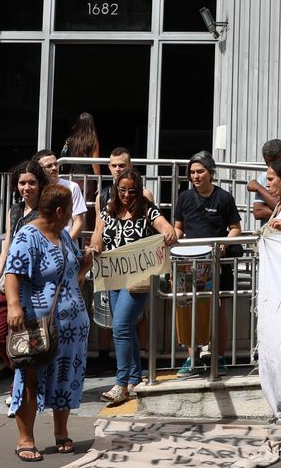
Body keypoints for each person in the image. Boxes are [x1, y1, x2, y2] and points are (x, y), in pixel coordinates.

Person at [4, 183, 91, 462]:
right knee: (30, 378)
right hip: (37, 324)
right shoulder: (27, 236)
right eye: (69, 212)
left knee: (65, 377)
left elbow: (73, 268)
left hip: (71, 326)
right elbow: (12, 272)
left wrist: (86, 261)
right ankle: (25, 438)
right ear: (58, 211)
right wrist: (14, 306)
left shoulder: (63, 235)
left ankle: (61, 431)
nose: (72, 217)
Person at [89, 168, 178, 404]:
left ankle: (120, 384)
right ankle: (135, 377)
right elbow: (97, 235)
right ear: (116, 190)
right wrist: (96, 246)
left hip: (137, 281)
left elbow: (167, 228)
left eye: (132, 190)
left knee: (120, 327)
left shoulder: (147, 211)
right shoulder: (108, 209)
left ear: (139, 191)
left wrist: (169, 234)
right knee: (126, 327)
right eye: (122, 190)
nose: (127, 195)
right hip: (113, 277)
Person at [173, 151, 244, 376]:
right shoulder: (184, 198)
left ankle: (219, 357)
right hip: (189, 263)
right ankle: (192, 359)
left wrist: (223, 244)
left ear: (210, 172)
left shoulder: (223, 197)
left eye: (200, 171)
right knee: (190, 309)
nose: (196, 176)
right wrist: (171, 242)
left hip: (217, 262)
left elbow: (236, 228)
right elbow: (178, 228)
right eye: (192, 172)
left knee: (219, 309)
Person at [0, 160, 50, 368]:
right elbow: (6, 247)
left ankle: (20, 385)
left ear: (40, 183)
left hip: (31, 286)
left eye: (32, 182)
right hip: (7, 282)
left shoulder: (46, 212)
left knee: (30, 340)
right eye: (22, 183)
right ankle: (16, 375)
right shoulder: (14, 210)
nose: (26, 188)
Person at [35, 149, 90, 236]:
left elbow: (78, 222)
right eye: (49, 166)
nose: (54, 168)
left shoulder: (72, 187)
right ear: (39, 169)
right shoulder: (35, 190)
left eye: (55, 164)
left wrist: (65, 244)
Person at [59, 111, 104, 202]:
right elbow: (95, 163)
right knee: (86, 206)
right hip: (87, 179)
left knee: (72, 206)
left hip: (72, 178)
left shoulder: (70, 139)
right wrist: (99, 180)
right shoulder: (92, 140)